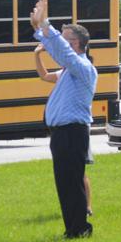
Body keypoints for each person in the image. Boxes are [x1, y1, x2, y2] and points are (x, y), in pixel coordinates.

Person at [30, 0, 97, 239]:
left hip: (72, 132)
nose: (61, 44)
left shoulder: (83, 67)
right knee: (64, 183)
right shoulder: (69, 70)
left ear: (77, 44)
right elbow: (58, 49)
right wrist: (40, 28)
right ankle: (73, 229)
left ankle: (80, 229)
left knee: (72, 182)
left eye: (66, 38)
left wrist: (45, 26)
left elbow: (62, 51)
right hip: (61, 133)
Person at [34, 43, 92, 218]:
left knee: (80, 171)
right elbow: (44, 75)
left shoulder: (81, 70)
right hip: (63, 129)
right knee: (71, 172)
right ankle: (76, 210)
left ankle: (87, 206)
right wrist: (37, 55)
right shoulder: (64, 74)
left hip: (76, 127)